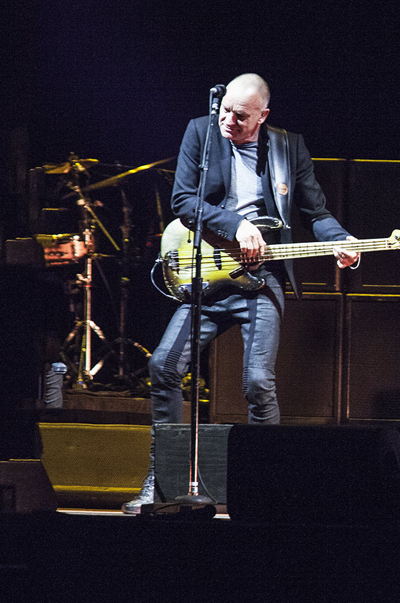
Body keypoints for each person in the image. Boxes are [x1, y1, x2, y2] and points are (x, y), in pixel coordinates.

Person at [122, 73, 359, 514]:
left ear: (263, 116)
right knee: (163, 366)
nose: (229, 120)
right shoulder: (202, 131)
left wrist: (342, 240)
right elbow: (183, 201)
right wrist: (237, 225)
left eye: (242, 116)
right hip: (209, 274)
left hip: (261, 279)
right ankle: (162, 482)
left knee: (257, 383)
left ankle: (266, 489)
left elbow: (316, 212)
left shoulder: (289, 148)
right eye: (225, 110)